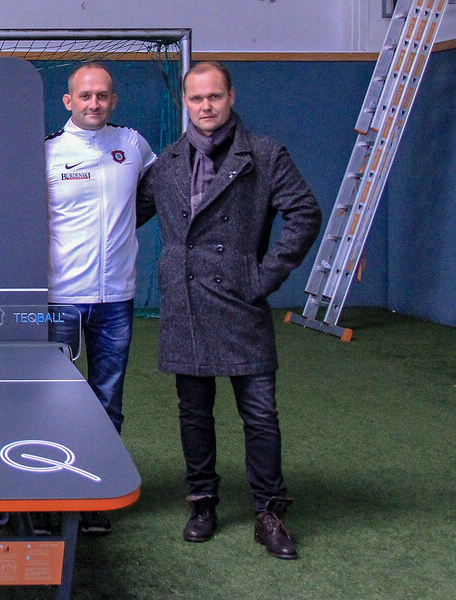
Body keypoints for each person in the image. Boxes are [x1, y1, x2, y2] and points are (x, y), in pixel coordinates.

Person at [136, 61, 321, 559]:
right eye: (197, 98)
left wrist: (264, 276)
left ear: (231, 96)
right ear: (185, 103)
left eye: (214, 96)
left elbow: (305, 212)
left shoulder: (264, 154)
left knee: (260, 413)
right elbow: (122, 216)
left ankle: (269, 512)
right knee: (194, 413)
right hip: (186, 301)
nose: (206, 106)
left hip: (242, 301)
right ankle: (202, 502)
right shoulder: (167, 164)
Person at [46, 62, 156, 536]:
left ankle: (96, 492)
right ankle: (51, 492)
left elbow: (155, 194)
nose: (94, 103)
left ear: (113, 100)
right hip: (61, 301)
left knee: (107, 399)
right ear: (68, 101)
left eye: (102, 95)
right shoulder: (47, 152)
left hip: (116, 300)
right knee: (57, 401)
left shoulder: (132, 145)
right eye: (85, 95)